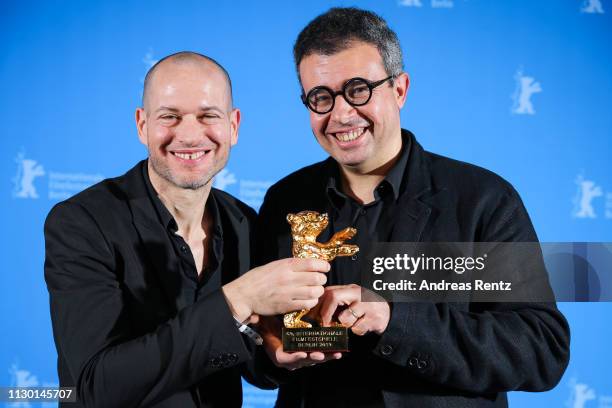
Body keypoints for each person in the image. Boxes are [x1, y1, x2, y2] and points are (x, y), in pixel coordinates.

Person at [256, 8, 570, 407]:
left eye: (357, 89)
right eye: (321, 97)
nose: (340, 113)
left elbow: (541, 350)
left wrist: (393, 320)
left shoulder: (483, 199)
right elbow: (257, 344)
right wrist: (268, 350)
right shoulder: (286, 199)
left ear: (400, 89)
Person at [43, 51, 330, 408]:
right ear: (142, 125)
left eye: (208, 115)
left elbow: (248, 362)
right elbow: (95, 388)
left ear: (234, 126)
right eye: (170, 117)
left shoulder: (242, 222)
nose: (190, 135)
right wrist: (235, 301)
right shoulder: (83, 222)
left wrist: (277, 352)